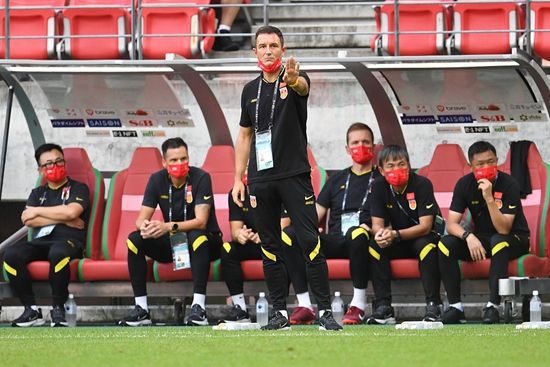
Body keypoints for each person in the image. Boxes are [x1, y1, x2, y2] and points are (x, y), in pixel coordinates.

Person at [232, 25, 342, 331]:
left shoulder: (294, 78)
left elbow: (303, 88)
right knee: (269, 245)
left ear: (283, 50)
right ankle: (279, 312)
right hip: (260, 180)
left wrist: (294, 80)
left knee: (310, 241)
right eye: (263, 45)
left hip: (294, 175)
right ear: (254, 51)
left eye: (274, 45)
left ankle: (324, 312)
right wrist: (238, 178)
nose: (268, 50)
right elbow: (244, 137)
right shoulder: (248, 91)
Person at [283, 123, 380, 325]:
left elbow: (387, 215)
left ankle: (358, 305)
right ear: (347, 149)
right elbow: (316, 213)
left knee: (358, 233)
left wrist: (371, 227)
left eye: (365, 142)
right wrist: (305, 226)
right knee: (291, 233)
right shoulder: (337, 179)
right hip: (334, 239)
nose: (360, 146)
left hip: (361, 240)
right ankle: (305, 305)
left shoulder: (380, 179)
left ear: (373, 147)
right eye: (355, 143)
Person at [119, 137, 222, 326]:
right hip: (175, 243)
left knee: (197, 237)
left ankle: (199, 308)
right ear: (164, 163)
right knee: (134, 239)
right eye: (174, 160)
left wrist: (167, 226)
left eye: (184, 159)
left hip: (206, 243)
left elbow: (201, 222)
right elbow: (141, 218)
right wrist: (145, 227)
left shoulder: (201, 177)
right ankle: (142, 310)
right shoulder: (156, 179)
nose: (180, 164)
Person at [438, 141, 530, 324]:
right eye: (480, 164)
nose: (486, 167)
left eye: (491, 162)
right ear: (470, 166)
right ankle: (456, 307)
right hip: (483, 239)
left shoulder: (509, 183)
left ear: (497, 161)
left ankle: (492, 306)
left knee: (499, 240)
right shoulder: (464, 184)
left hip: (515, 238)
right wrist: (468, 236)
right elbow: (451, 224)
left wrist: (489, 197)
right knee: (445, 244)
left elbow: (504, 228)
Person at [4, 143, 90, 327]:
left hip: (69, 242)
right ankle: (31, 310)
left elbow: (71, 213)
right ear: (41, 170)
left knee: (58, 252)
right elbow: (28, 220)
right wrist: (63, 218)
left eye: (59, 161)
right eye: (49, 164)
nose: (55, 166)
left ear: (65, 163)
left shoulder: (78, 188)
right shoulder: (37, 193)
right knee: (11, 254)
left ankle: (58, 308)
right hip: (40, 242)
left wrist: (40, 212)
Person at [368, 145, 442, 324]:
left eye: (401, 164)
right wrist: (381, 234)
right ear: (381, 170)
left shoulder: (422, 184)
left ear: (408, 165)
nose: (396, 169)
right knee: (374, 245)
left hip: (421, 236)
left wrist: (395, 234)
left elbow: (426, 226)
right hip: (397, 237)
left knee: (426, 247)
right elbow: (377, 225)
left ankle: (433, 305)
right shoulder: (378, 186)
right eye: (390, 166)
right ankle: (384, 307)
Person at [220, 171, 288, 322]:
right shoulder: (237, 193)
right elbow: (235, 230)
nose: (248, 172)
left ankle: (280, 309)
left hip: (273, 241)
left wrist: (265, 235)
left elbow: (284, 226)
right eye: (245, 169)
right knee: (227, 249)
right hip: (252, 244)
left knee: (286, 243)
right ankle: (240, 309)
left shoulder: (277, 189)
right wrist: (241, 235)